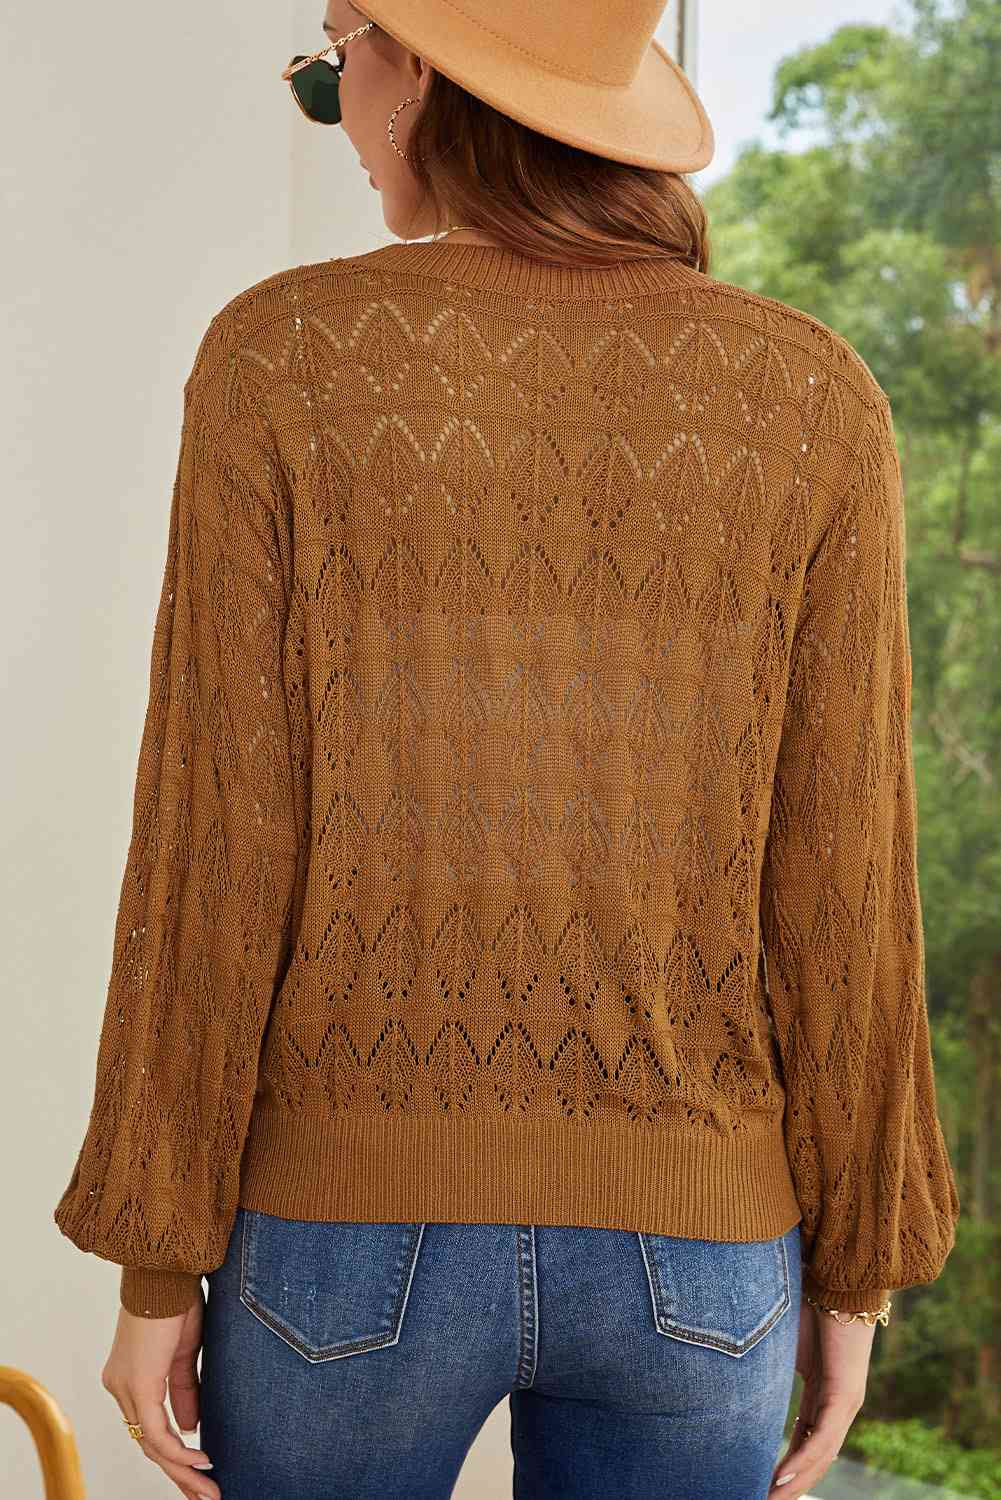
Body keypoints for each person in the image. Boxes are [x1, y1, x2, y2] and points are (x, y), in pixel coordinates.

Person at [53, 1, 962, 1497]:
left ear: (423, 71)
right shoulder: (808, 396)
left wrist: (160, 1260)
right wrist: (855, 1275)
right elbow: (842, 872)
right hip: (699, 1251)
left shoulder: (283, 360)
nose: (332, 103)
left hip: (343, 1234)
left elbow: (219, 838)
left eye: (336, 58)